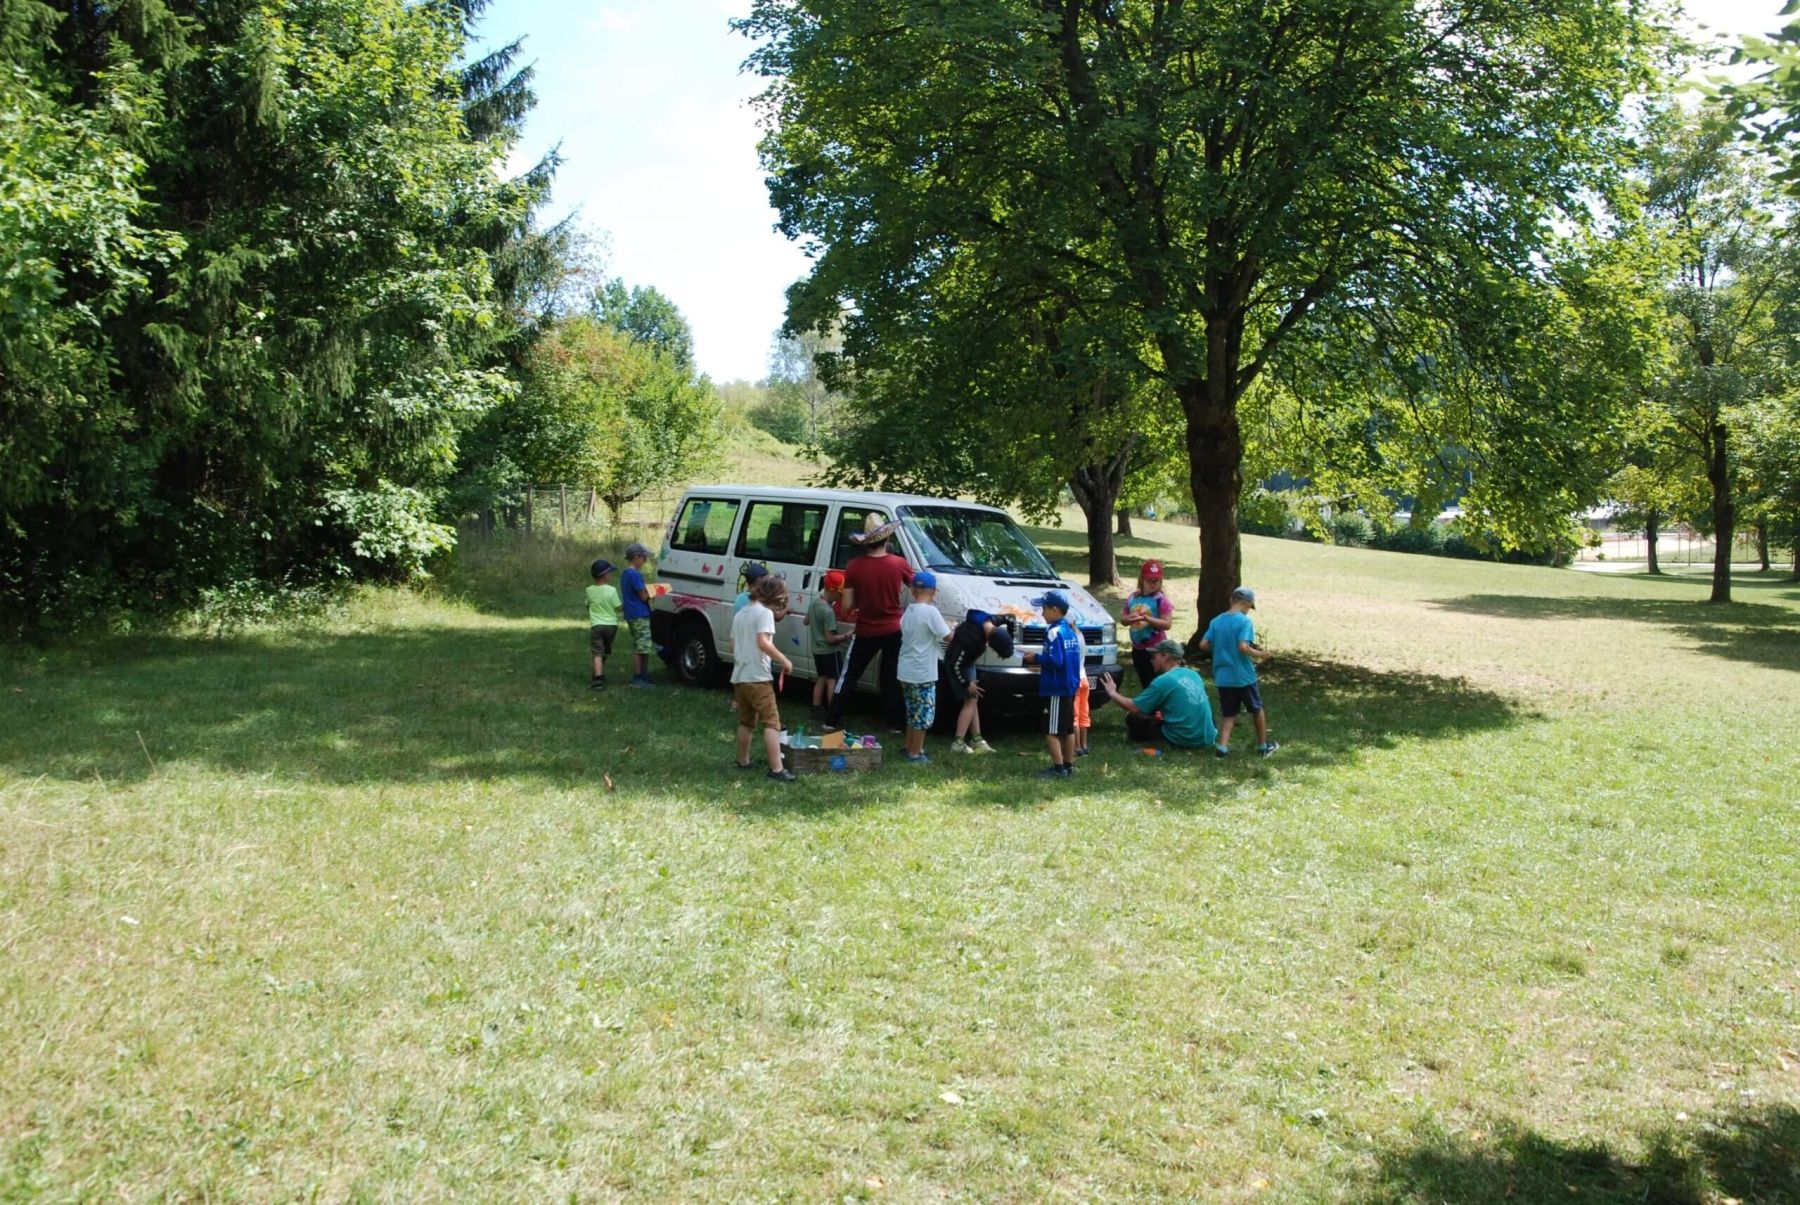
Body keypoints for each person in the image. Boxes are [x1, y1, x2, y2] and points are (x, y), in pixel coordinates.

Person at [826, 512, 915, 731]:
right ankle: (895, 723)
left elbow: (846, 605)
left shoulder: (854, 566)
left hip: (866, 629)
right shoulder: (899, 563)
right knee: (892, 675)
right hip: (894, 629)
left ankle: (832, 720)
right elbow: (917, 587)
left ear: (866, 542)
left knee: (849, 675)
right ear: (887, 539)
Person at [731, 575, 797, 782]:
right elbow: (763, 642)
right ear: (774, 596)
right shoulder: (765, 613)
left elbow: (733, 645)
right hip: (758, 677)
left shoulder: (741, 613)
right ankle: (776, 769)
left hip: (740, 676)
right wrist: (784, 660)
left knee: (747, 721)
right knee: (772, 723)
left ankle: (743, 761)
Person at [1200, 585, 1277, 757]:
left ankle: (1222, 747)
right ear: (1248, 604)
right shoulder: (1245, 621)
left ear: (1231, 600)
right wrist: (1262, 654)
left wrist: (1219, 648)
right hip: (1243, 676)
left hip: (1222, 676)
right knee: (1257, 709)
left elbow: (1203, 644)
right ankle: (1263, 746)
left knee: (1229, 713)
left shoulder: (1216, 621)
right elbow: (1243, 647)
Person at [1098, 640, 1218, 750]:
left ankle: (1176, 739)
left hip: (1185, 739)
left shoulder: (1164, 681)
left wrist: (1112, 693)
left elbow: (1134, 707)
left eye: (1154, 656)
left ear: (1165, 656)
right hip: (1207, 738)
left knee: (1134, 719)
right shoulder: (1193, 674)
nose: (1151, 660)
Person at [1020, 590, 1082, 779]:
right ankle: (1069, 765)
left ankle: (1058, 769)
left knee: (1050, 730)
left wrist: (1035, 658)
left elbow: (1055, 661)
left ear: (1055, 610)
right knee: (1068, 728)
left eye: (1044, 608)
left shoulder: (1054, 632)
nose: (1042, 613)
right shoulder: (1070, 632)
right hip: (1070, 685)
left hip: (1056, 687)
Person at [897, 570, 952, 763]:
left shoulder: (908, 611)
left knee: (912, 710)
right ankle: (916, 752)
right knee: (923, 714)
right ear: (934, 592)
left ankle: (908, 746)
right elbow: (947, 636)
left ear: (912, 590)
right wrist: (954, 629)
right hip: (923, 672)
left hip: (906, 669)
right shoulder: (931, 612)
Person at [946, 611, 1012, 754]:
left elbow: (1008, 617)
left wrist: (1010, 626)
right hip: (958, 664)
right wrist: (966, 683)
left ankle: (976, 740)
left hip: (967, 662)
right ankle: (958, 743)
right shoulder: (970, 640)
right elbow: (954, 664)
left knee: (973, 698)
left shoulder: (991, 621)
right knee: (970, 699)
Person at [1123, 559, 1175, 688]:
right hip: (1138, 648)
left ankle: (1156, 708)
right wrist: (1130, 618)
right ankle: (1149, 707)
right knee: (1145, 683)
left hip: (1155, 649)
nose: (1153, 584)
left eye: (1156, 581)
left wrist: (1148, 619)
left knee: (1156, 685)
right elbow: (1123, 619)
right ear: (1142, 579)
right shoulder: (1133, 598)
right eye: (1150, 580)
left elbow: (1167, 624)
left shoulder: (1161, 600)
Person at [805, 569, 849, 714]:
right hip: (830, 652)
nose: (841, 596)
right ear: (832, 590)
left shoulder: (815, 601)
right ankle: (832, 710)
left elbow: (806, 621)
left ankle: (816, 707)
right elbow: (830, 639)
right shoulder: (828, 611)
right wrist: (846, 635)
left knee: (821, 678)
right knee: (833, 680)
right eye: (840, 593)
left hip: (817, 650)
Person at [620, 542, 656, 688]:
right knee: (641, 647)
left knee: (644, 645)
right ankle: (637, 677)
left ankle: (643, 673)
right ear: (636, 557)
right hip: (639, 614)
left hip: (631, 614)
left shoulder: (625, 574)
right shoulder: (635, 574)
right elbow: (643, 596)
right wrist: (656, 591)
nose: (645, 561)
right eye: (644, 558)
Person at [585, 558, 623, 690]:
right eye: (610, 573)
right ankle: (598, 673)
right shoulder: (612, 590)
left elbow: (587, 604)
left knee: (597, 653)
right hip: (612, 627)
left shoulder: (589, 590)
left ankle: (598, 679)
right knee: (604, 652)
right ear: (605, 575)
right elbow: (619, 607)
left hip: (597, 626)